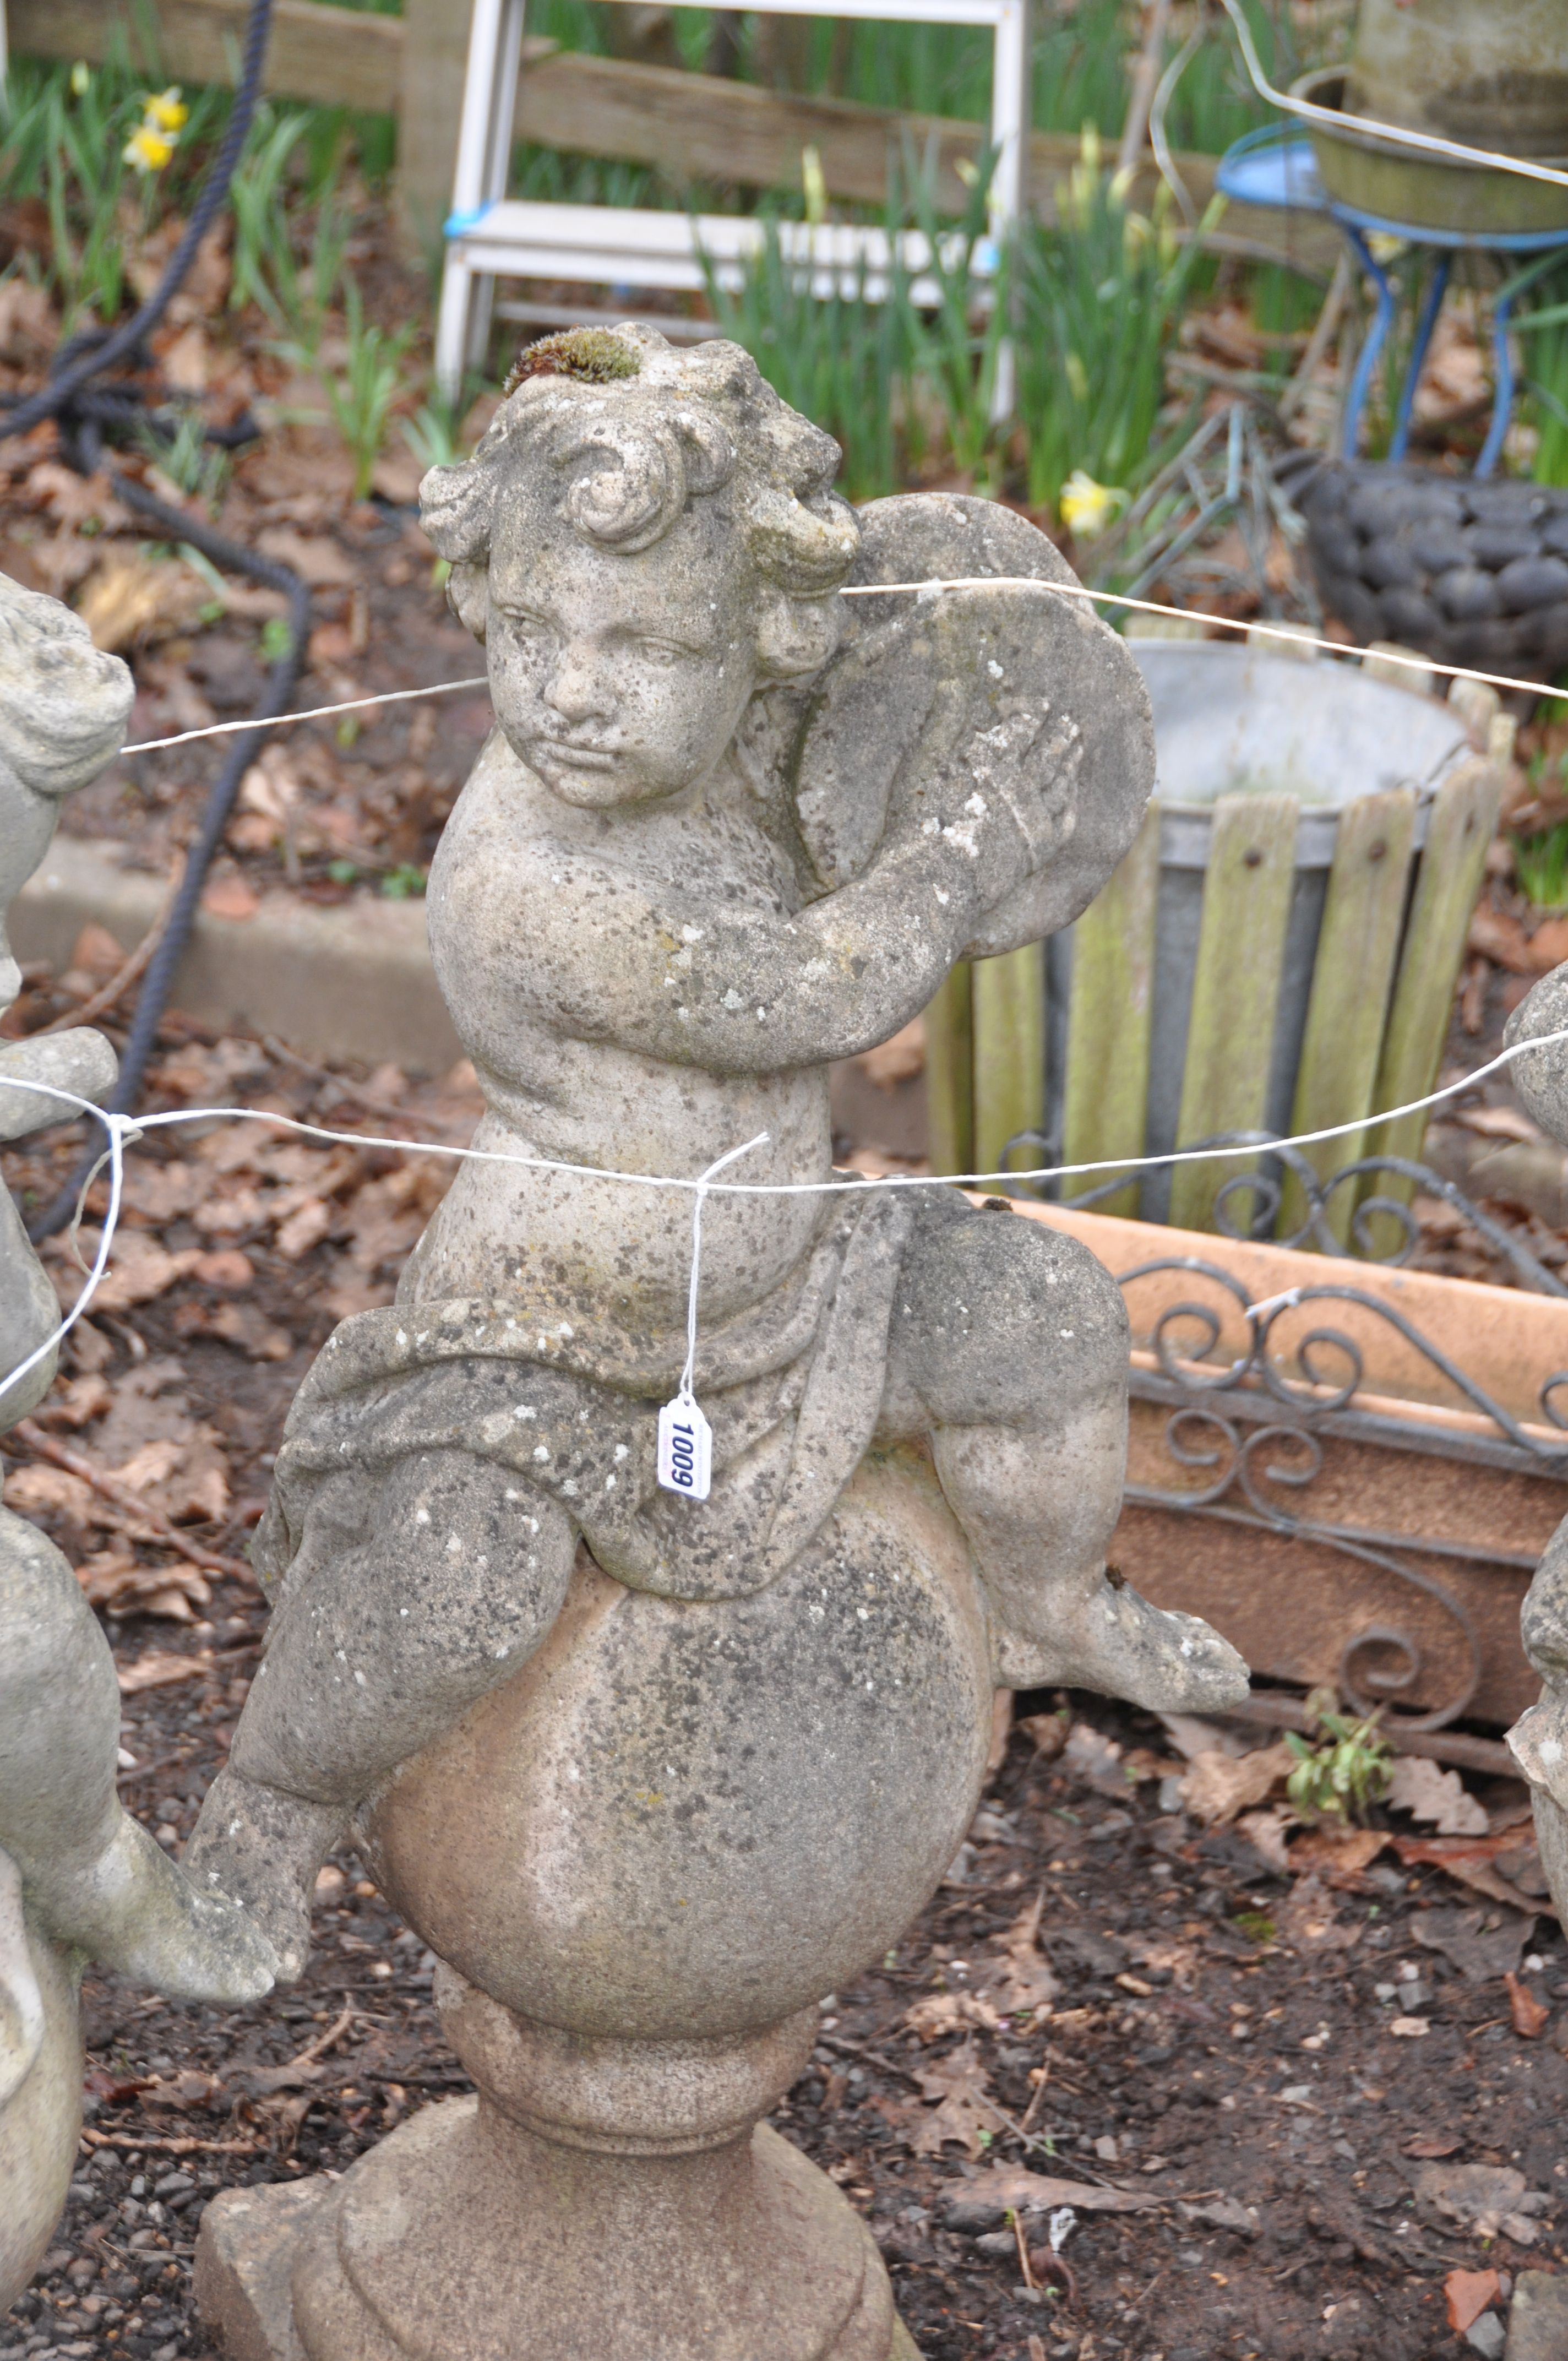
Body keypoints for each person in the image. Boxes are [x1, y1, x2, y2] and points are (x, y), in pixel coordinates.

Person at [189, 327, 1246, 1978]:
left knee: (1046, 1323)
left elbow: (901, 664)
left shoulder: (735, 745)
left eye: (643, 643)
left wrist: (972, 704)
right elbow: (816, 992)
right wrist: (965, 843)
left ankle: (1054, 1606)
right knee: (457, 1578)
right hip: (551, 1340)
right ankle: (267, 1807)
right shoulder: (533, 882)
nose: (573, 690)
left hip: (794, 1286)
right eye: (530, 630)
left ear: (756, 645)